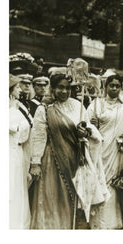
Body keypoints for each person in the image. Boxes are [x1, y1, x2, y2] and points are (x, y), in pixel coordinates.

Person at [29, 73, 104, 229]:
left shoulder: (77, 105)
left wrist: (86, 133)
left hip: (74, 157)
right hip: (52, 159)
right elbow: (38, 136)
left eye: (67, 88)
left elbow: (89, 128)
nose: (64, 91)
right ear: (53, 88)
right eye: (60, 88)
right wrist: (35, 162)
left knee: (71, 198)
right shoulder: (44, 109)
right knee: (52, 197)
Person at [87, 73, 123, 229]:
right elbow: (86, 125)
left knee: (113, 183)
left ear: (121, 88)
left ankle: (113, 222)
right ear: (105, 87)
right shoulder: (95, 104)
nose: (114, 88)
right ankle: (97, 223)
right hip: (99, 149)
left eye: (117, 86)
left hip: (117, 149)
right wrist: (92, 127)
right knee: (100, 182)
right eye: (111, 85)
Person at [9, 74, 32, 229]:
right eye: (17, 87)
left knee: (17, 189)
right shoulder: (11, 110)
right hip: (10, 154)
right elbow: (17, 129)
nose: (20, 90)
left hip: (17, 153)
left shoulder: (16, 106)